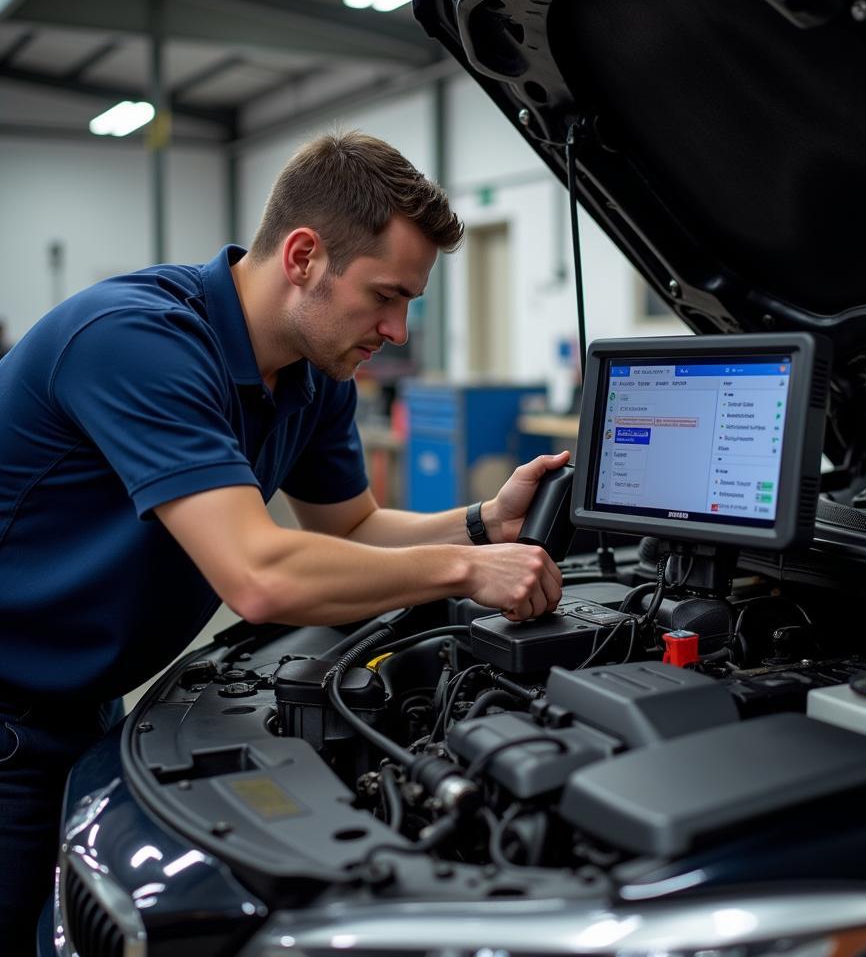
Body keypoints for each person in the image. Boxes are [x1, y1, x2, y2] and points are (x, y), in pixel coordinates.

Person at [0, 130, 568, 952]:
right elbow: (259, 575)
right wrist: (468, 568)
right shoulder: (136, 341)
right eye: (384, 296)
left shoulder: (313, 372)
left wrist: (484, 522)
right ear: (303, 255)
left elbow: (352, 528)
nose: (398, 330)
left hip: (85, 698)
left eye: (408, 302)